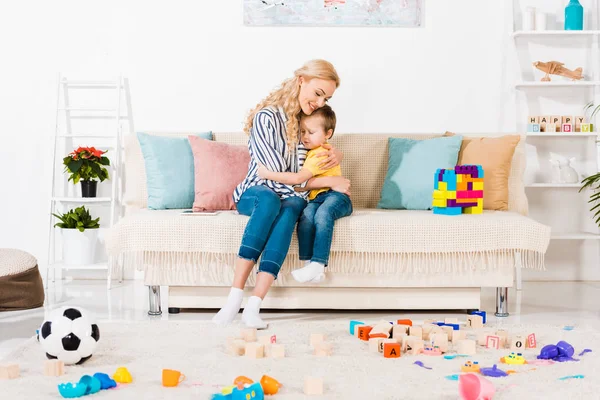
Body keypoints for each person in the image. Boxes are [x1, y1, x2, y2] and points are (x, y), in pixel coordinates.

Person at [212, 59, 350, 329]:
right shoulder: (267, 117)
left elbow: (295, 178)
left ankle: (254, 306)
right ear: (301, 80)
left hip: (286, 195)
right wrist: (303, 178)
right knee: (271, 198)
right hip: (255, 194)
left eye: (327, 98)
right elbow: (271, 173)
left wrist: (328, 162)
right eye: (318, 93)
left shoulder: (307, 127)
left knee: (293, 206)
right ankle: (233, 298)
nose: (321, 103)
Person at [257, 105, 352, 284]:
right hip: (317, 198)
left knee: (324, 215)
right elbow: (302, 186)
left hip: (337, 197)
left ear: (328, 134)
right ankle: (310, 264)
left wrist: (268, 174)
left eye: (311, 132)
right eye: (302, 131)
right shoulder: (309, 152)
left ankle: (318, 263)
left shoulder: (320, 154)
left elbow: (299, 180)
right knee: (307, 217)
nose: (305, 136)